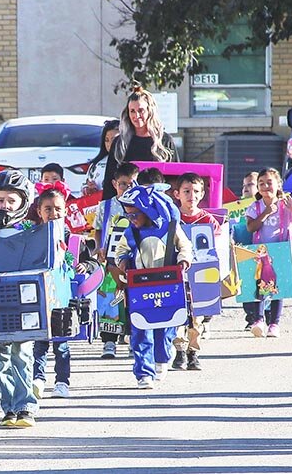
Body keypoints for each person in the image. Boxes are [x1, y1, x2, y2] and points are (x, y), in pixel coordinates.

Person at [115, 185, 192, 389]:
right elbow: (120, 250)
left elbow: (185, 246)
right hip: (140, 286)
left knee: (165, 326)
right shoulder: (131, 231)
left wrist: (183, 260)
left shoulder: (170, 229)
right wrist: (122, 260)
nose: (131, 220)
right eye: (128, 216)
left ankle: (162, 358)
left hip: (167, 282)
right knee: (141, 327)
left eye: (134, 215)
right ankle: (143, 372)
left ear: (147, 210)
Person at [32, 187, 100, 398]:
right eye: (48, 209)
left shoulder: (73, 240)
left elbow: (93, 262)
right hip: (40, 300)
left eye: (58, 208)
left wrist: (84, 267)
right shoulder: (32, 236)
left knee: (61, 345)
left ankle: (62, 382)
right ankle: (38, 380)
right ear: (39, 211)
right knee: (39, 343)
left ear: (66, 210)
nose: (53, 213)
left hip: (63, 301)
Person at [0, 169, 39, 428]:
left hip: (22, 304)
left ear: (23, 203)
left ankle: (26, 405)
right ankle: (8, 406)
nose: (4, 205)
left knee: (22, 355)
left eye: (11, 200)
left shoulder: (31, 234)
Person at [245, 167, 292, 339]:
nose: (265, 187)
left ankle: (274, 323)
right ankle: (258, 320)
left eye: (269, 183)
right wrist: (265, 213)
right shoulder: (255, 206)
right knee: (260, 286)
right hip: (261, 252)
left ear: (279, 184)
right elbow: (251, 227)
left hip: (282, 250)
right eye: (261, 184)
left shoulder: (286, 203)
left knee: (278, 289)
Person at [170, 172, 221, 371]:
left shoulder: (208, 220)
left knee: (197, 314)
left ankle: (193, 352)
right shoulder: (172, 218)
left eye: (196, 191)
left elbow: (216, 248)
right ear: (177, 194)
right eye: (186, 191)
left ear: (202, 194)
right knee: (177, 310)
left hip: (200, 275)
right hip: (176, 273)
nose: (192, 195)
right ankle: (180, 350)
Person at [93, 162, 138, 358]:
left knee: (133, 301)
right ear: (114, 184)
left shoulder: (141, 205)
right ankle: (109, 341)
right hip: (111, 261)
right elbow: (98, 229)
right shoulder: (106, 206)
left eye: (132, 184)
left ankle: (132, 338)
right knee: (111, 300)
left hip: (134, 261)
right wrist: (98, 247)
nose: (128, 188)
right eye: (123, 184)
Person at [102, 85, 179, 200]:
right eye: (132, 111)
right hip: (126, 206)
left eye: (141, 110)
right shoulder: (120, 143)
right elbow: (109, 181)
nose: (136, 116)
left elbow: (176, 178)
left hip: (157, 204)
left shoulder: (165, 141)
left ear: (150, 111)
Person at [235, 172, 259, 330]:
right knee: (246, 285)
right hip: (242, 248)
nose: (245, 188)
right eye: (244, 185)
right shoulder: (236, 206)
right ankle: (250, 317)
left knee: (262, 282)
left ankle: (265, 315)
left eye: (250, 185)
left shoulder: (260, 205)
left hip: (260, 248)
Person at [83, 119, 120, 196]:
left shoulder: (131, 161)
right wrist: (89, 190)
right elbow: (84, 186)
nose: (109, 144)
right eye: (106, 140)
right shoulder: (96, 164)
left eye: (114, 139)